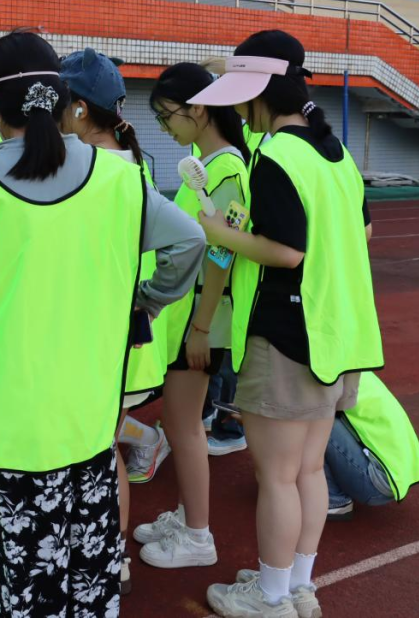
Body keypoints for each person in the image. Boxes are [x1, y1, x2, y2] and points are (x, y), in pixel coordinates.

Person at [0, 30, 205, 616]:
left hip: (10, 425)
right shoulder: (119, 178)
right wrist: (146, 299)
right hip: (89, 417)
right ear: (63, 101)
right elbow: (190, 240)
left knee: (27, 586)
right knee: (88, 580)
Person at [191, 30, 383, 618]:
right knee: (307, 471)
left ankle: (271, 597)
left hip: (286, 335)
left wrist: (219, 231)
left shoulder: (277, 156)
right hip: (336, 333)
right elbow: (363, 231)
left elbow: (286, 251)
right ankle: (296, 585)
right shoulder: (335, 153)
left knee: (276, 475)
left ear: (260, 94)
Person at [57, 47, 176, 594]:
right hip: (121, 333)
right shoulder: (129, 161)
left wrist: (146, 298)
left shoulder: (98, 170)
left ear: (80, 108)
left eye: (58, 103)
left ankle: (112, 553)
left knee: (97, 451)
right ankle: (112, 551)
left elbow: (186, 243)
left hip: (108, 335)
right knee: (98, 447)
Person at [133, 62, 252, 571]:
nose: (165, 127)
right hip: (187, 317)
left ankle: (198, 535)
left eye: (167, 116)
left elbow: (222, 254)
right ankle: (187, 518)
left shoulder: (226, 171)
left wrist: (202, 327)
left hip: (200, 320)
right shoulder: (206, 163)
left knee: (184, 425)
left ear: (198, 109)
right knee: (181, 422)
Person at [323, 371, 419, 520]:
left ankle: (334, 500)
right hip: (397, 476)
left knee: (313, 418)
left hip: (377, 482)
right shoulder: (355, 368)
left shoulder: (326, 376)